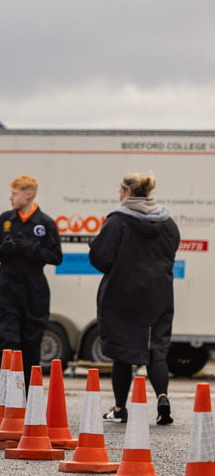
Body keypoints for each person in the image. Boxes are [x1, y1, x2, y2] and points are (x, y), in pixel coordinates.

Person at [89, 172, 180, 425]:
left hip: (123, 294)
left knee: (122, 352)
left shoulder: (118, 221)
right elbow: (171, 252)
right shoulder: (168, 222)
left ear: (127, 192)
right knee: (156, 350)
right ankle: (162, 399)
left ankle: (119, 409)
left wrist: (94, 245)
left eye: (120, 190)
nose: (118, 194)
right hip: (159, 294)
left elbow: (101, 258)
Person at [0, 174, 62, 389]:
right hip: (6, 290)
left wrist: (30, 248)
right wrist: (4, 250)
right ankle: (4, 390)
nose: (11, 197)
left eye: (15, 193)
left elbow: (56, 256)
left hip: (34, 292)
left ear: (28, 194)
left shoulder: (45, 223)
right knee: (7, 343)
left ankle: (26, 391)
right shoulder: (5, 220)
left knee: (30, 344)